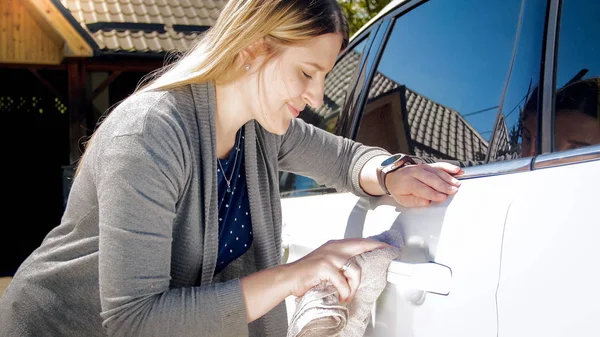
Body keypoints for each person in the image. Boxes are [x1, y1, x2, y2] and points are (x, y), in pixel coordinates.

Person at [0, 1, 462, 336]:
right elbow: (133, 319)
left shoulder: (262, 130)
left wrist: (391, 172)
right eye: (306, 73)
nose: (319, 97)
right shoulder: (149, 135)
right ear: (253, 50)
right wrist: (295, 274)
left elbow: (345, 159)